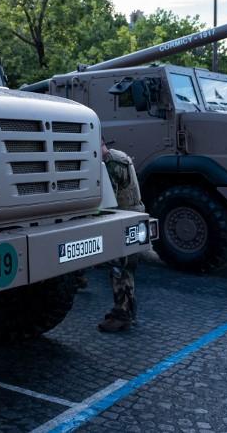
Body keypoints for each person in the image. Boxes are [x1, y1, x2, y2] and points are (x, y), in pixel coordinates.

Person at [97, 139, 144, 333]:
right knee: (128, 269)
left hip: (123, 219)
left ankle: (121, 315)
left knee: (119, 269)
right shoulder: (117, 156)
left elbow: (109, 200)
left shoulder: (111, 164)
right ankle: (128, 312)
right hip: (133, 216)